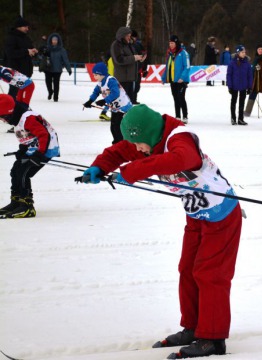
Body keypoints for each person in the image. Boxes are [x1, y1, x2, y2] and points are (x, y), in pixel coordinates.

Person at [80, 104, 242, 359]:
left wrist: (134, 170)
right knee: (188, 269)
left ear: (152, 134)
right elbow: (120, 151)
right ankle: (193, 328)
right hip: (197, 215)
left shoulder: (179, 138)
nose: (137, 150)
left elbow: (183, 160)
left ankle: (212, 338)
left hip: (221, 213)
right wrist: (100, 167)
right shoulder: (149, 142)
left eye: (140, 144)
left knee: (210, 274)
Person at [0, 94, 60, 219]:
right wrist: (22, 150)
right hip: (33, 147)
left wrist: (38, 155)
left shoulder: (28, 118)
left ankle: (27, 206)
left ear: (8, 113)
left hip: (45, 148)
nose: (2, 121)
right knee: (15, 171)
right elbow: (27, 137)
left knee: (23, 172)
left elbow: (44, 135)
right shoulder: (16, 117)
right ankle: (16, 202)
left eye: (2, 117)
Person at [83, 62, 133, 143]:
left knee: (118, 126)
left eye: (95, 75)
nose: (94, 76)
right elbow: (96, 92)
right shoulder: (100, 82)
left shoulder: (111, 80)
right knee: (113, 126)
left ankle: (121, 144)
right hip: (115, 108)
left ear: (101, 74)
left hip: (123, 107)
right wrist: (90, 101)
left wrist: (104, 101)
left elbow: (116, 93)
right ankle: (116, 142)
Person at [3, 16, 37, 133]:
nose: (27, 28)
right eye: (25, 26)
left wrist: (33, 51)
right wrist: (26, 51)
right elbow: (10, 53)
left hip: (25, 73)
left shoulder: (26, 38)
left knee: (22, 99)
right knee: (13, 97)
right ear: (19, 27)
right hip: (15, 73)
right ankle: (12, 118)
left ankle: (20, 119)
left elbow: (27, 51)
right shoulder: (11, 38)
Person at [110, 26, 146, 103]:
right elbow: (119, 59)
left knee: (128, 103)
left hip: (130, 78)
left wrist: (140, 59)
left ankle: (126, 115)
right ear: (122, 35)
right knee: (121, 103)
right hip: (122, 79)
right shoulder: (116, 45)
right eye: (128, 36)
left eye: (130, 36)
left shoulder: (129, 45)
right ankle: (117, 115)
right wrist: (134, 58)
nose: (130, 38)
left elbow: (133, 58)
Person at [161, 35, 190, 124]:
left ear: (176, 43)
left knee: (181, 97)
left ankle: (185, 116)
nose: (171, 45)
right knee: (175, 98)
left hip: (181, 80)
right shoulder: (170, 54)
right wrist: (164, 78)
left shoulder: (183, 53)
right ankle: (177, 116)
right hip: (173, 80)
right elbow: (168, 67)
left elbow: (187, 66)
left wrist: (182, 77)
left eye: (172, 43)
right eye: (170, 43)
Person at [226, 45, 253, 125]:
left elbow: (249, 76)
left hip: (243, 86)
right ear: (238, 53)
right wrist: (230, 86)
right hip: (234, 86)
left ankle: (240, 119)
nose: (244, 53)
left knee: (242, 103)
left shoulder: (247, 63)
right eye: (242, 52)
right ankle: (233, 118)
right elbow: (229, 75)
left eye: (244, 52)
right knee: (233, 102)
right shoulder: (232, 63)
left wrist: (249, 87)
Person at [43, 33, 72, 102]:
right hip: (48, 69)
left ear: (58, 41)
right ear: (51, 40)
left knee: (56, 83)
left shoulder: (62, 50)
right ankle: (50, 92)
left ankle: (56, 97)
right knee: (48, 82)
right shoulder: (47, 48)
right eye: (53, 40)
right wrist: (43, 53)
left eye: (56, 40)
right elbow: (41, 57)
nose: (54, 41)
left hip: (57, 69)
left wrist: (69, 69)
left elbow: (65, 60)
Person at [244, 44, 262, 117]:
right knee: (252, 95)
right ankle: (247, 112)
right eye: (259, 49)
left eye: (261, 49)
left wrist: (261, 68)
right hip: (256, 80)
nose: (260, 51)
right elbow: (252, 69)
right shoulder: (256, 58)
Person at [131, 30, 148, 104]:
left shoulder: (138, 45)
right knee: (132, 86)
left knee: (136, 86)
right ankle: (131, 99)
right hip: (130, 70)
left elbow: (144, 57)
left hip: (137, 69)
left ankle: (133, 99)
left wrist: (144, 69)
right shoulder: (127, 45)